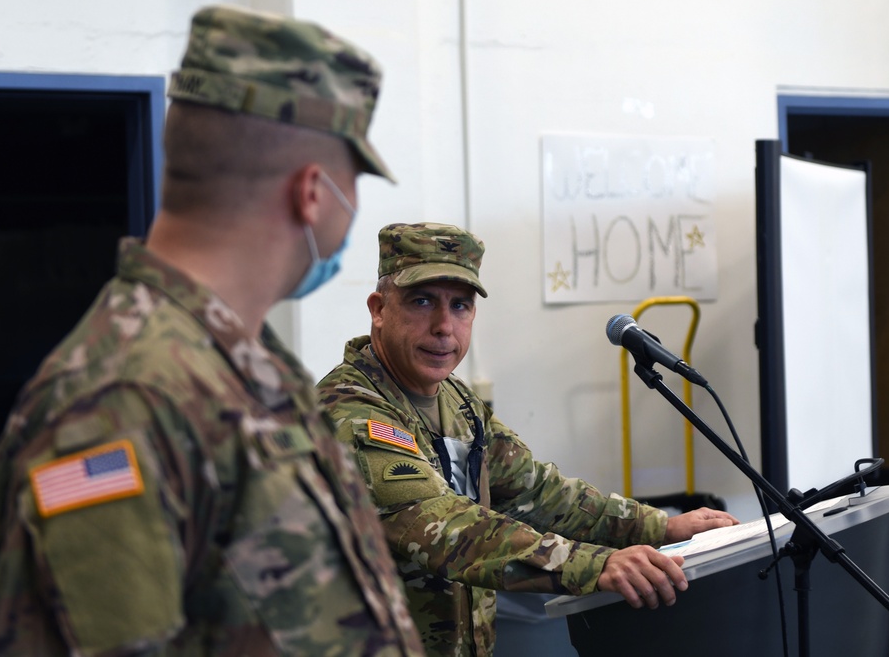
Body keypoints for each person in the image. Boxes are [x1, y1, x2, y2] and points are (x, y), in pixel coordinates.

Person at [0, 6, 425, 656]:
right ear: (312, 192)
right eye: (354, 180)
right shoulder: (116, 406)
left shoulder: (245, 367)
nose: (353, 205)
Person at [316, 222, 739, 655]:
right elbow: (445, 526)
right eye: (422, 302)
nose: (444, 326)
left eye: (460, 306)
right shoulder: (349, 414)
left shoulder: (457, 402)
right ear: (379, 309)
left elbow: (538, 492)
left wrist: (659, 527)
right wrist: (595, 564)